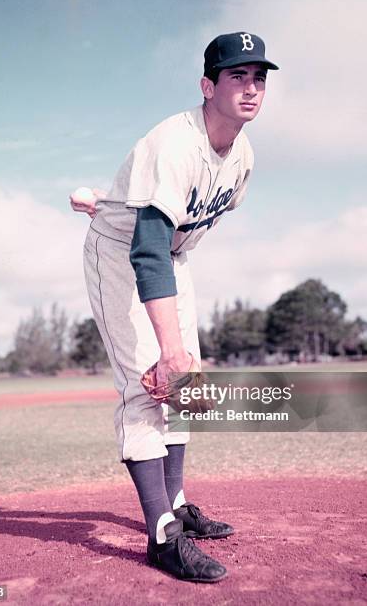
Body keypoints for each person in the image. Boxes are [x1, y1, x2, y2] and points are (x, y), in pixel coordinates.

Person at [70, 31, 279, 583]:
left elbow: (177, 226)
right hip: (122, 256)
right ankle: (162, 535)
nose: (251, 87)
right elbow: (146, 246)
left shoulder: (243, 157)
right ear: (208, 86)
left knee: (186, 387)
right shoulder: (176, 143)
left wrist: (112, 196)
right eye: (237, 76)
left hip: (169, 257)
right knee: (151, 379)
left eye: (259, 77)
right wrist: (170, 346)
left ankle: (179, 503)